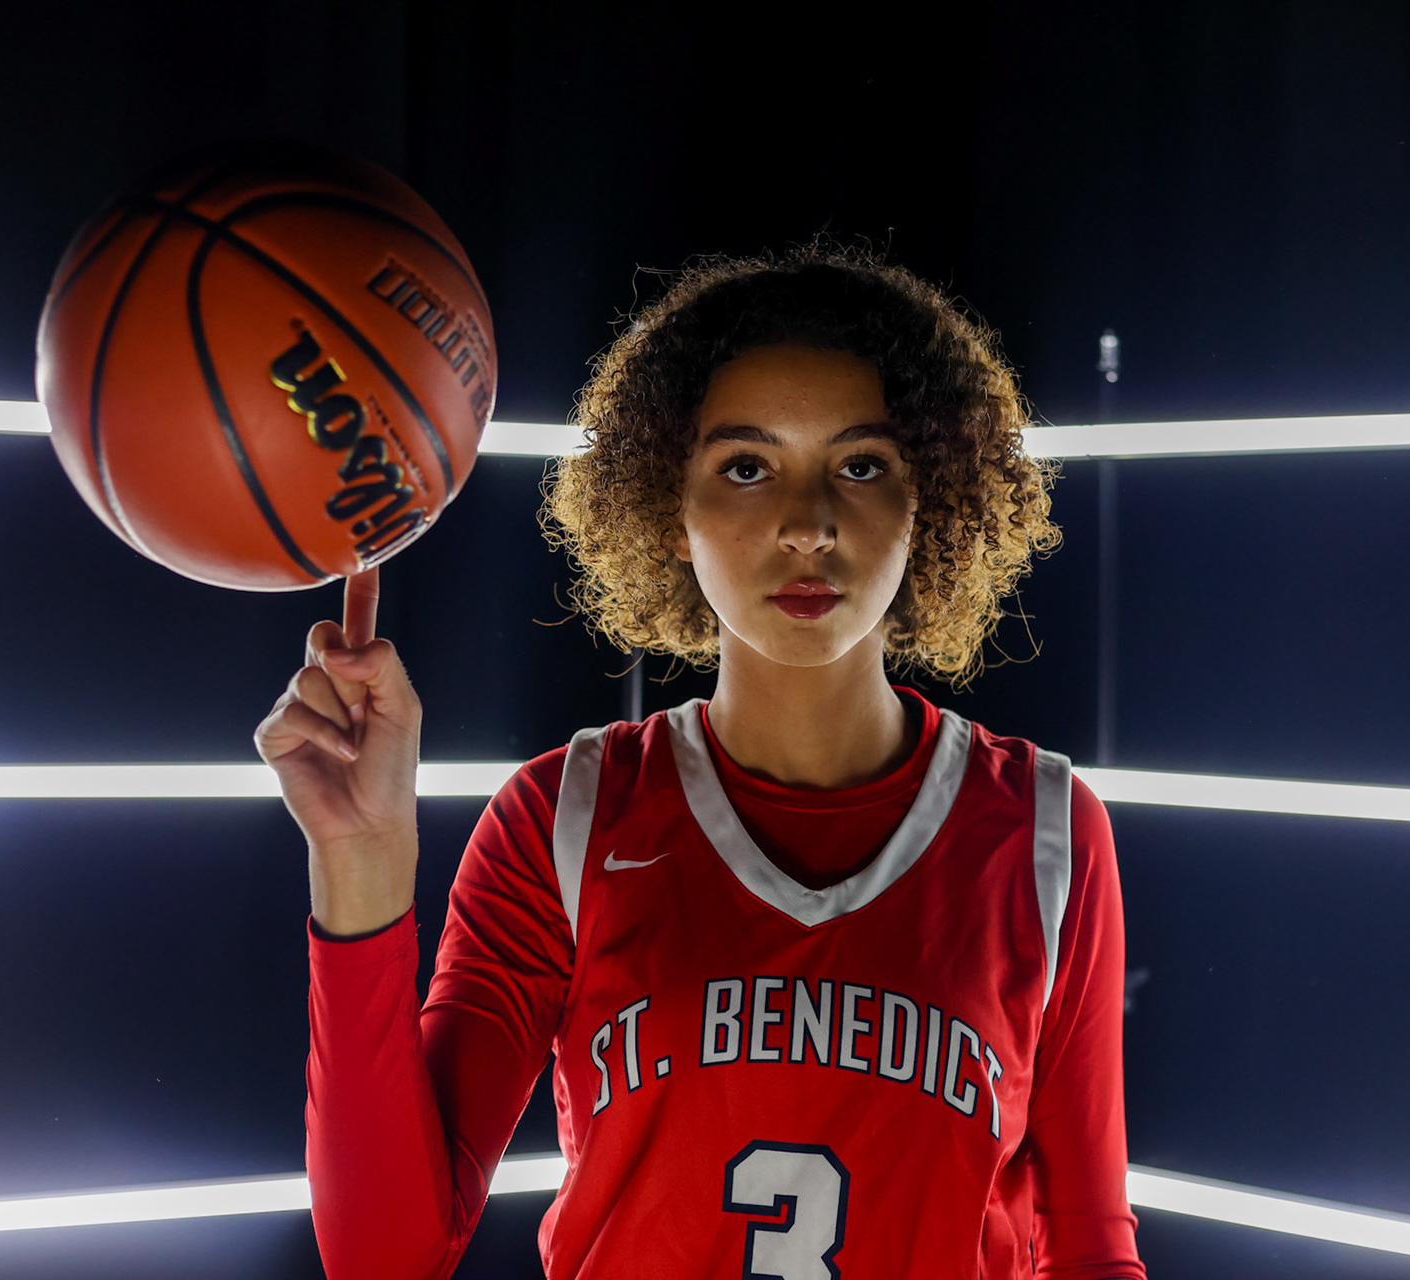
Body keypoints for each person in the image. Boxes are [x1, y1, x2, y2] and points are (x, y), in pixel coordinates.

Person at [257, 244, 1147, 1279]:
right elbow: (385, 1255)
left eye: (862, 464)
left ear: (930, 498)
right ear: (670, 509)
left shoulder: (1045, 829)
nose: (808, 525)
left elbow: (1089, 1248)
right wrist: (360, 858)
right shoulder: (564, 817)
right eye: (746, 467)